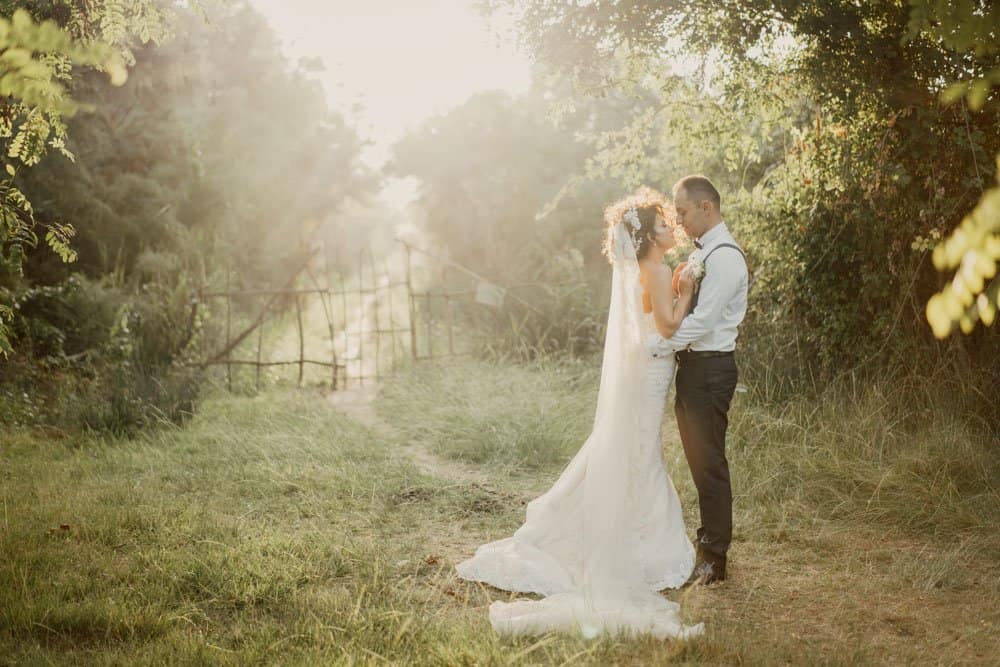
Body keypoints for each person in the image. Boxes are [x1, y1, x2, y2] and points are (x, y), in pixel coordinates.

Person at [455, 187, 703, 639]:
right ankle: (647, 549)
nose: (672, 228)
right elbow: (668, 325)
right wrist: (685, 291)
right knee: (643, 455)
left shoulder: (644, 269)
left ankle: (632, 536)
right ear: (648, 235)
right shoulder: (658, 268)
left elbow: (651, 318)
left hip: (646, 370)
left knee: (633, 452)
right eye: (664, 223)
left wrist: (675, 288)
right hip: (652, 372)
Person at [648, 174, 749, 586]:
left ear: (707, 207)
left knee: (709, 466)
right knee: (698, 461)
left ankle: (713, 561)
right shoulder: (704, 252)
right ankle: (706, 548)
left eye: (684, 212)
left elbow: (705, 322)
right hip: (693, 371)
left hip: (710, 370)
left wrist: (658, 347)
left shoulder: (725, 257)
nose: (680, 221)